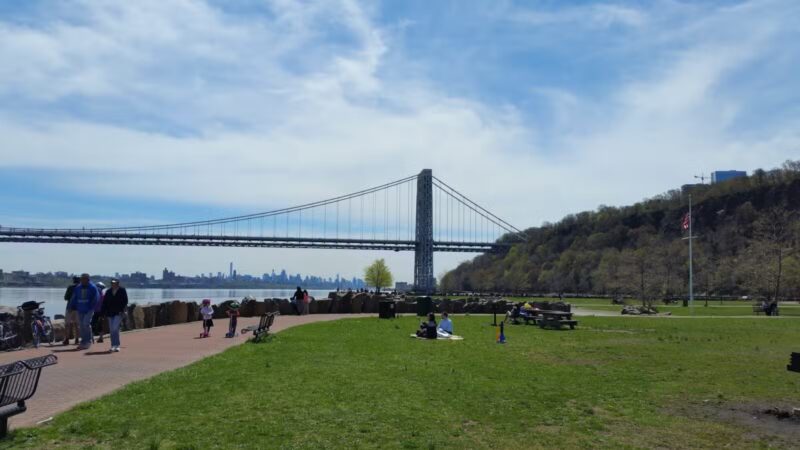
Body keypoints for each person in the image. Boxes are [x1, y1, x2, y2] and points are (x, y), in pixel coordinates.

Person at [69, 273, 99, 350]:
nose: (82, 280)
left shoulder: (92, 287)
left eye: (83, 279)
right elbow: (74, 297)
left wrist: (91, 306)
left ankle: (88, 341)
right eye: (81, 279)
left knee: (86, 323)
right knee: (81, 325)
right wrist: (71, 306)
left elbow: (96, 298)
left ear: (88, 279)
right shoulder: (78, 288)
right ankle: (83, 341)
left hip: (89, 309)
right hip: (80, 309)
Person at [101, 279, 128, 352]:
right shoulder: (108, 291)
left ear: (118, 283)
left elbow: (125, 301)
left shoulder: (122, 290)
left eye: (114, 283)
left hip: (119, 312)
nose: (113, 284)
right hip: (110, 313)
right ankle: (113, 345)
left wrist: (123, 310)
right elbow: (105, 302)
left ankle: (117, 345)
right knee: (112, 330)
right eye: (112, 283)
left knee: (114, 328)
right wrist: (103, 313)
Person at [63, 276, 80, 345]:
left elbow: (65, 298)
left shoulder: (70, 287)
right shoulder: (81, 288)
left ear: (73, 281)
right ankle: (77, 339)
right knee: (77, 324)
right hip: (78, 308)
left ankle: (67, 339)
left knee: (67, 324)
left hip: (69, 308)